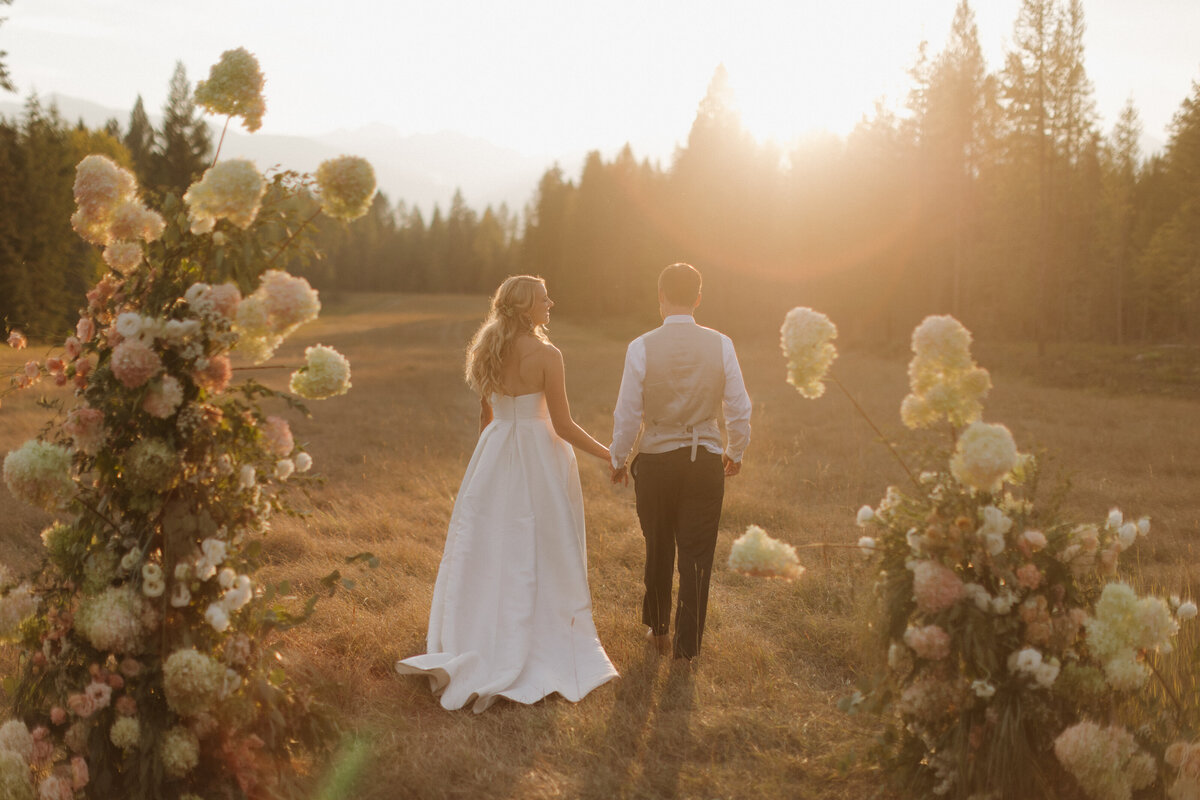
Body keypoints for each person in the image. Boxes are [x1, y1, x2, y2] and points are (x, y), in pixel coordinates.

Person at [396, 275, 619, 712]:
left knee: (489, 545)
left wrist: (485, 466)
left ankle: (480, 629)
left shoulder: (486, 349)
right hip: (539, 455)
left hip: (495, 451)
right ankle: (539, 635)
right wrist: (609, 454)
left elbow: (487, 416)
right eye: (543, 298)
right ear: (525, 308)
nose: (550, 303)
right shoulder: (548, 355)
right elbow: (563, 425)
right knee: (544, 546)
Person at [610, 263, 751, 663]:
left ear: (660, 297)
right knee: (697, 555)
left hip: (656, 461)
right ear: (699, 298)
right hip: (704, 459)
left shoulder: (640, 346)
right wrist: (735, 452)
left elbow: (627, 414)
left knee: (658, 545)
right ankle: (688, 650)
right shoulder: (721, 344)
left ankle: (658, 631)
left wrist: (619, 459)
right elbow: (739, 408)